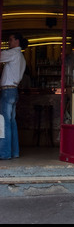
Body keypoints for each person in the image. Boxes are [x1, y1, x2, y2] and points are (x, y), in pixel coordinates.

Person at [0, 32, 28, 160]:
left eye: (10, 39)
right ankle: (14, 151)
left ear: (17, 41)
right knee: (12, 122)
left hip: (7, 90)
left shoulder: (13, 53)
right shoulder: (21, 56)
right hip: (14, 90)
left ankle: (5, 153)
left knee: (4, 122)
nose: (9, 42)